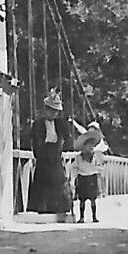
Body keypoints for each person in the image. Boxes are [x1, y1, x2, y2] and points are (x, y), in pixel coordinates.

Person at [26, 89, 75, 222]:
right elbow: (33, 140)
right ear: (45, 109)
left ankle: (61, 207)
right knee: (42, 180)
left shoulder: (61, 124)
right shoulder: (38, 124)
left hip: (55, 153)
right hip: (43, 154)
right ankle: (42, 208)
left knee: (58, 179)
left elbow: (68, 139)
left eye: (56, 111)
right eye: (51, 110)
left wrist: (63, 148)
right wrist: (38, 153)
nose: (53, 113)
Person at [73, 121, 107, 223]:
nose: (91, 147)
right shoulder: (79, 157)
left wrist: (99, 171)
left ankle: (94, 216)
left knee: (93, 200)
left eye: (92, 145)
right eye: (89, 145)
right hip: (82, 179)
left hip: (92, 178)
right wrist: (73, 179)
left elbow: (99, 166)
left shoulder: (95, 156)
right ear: (84, 146)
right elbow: (74, 167)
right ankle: (82, 217)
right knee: (82, 200)